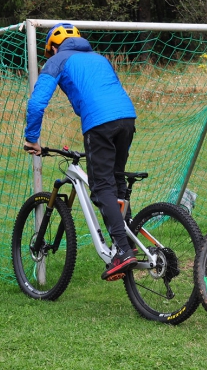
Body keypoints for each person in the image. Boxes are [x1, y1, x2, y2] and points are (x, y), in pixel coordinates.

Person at [23, 22, 138, 281]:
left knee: (101, 186)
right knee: (117, 179)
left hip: (100, 122)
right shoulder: (99, 58)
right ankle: (129, 242)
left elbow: (37, 103)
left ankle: (122, 250)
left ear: (53, 46)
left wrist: (32, 139)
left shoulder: (58, 59)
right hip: (127, 117)